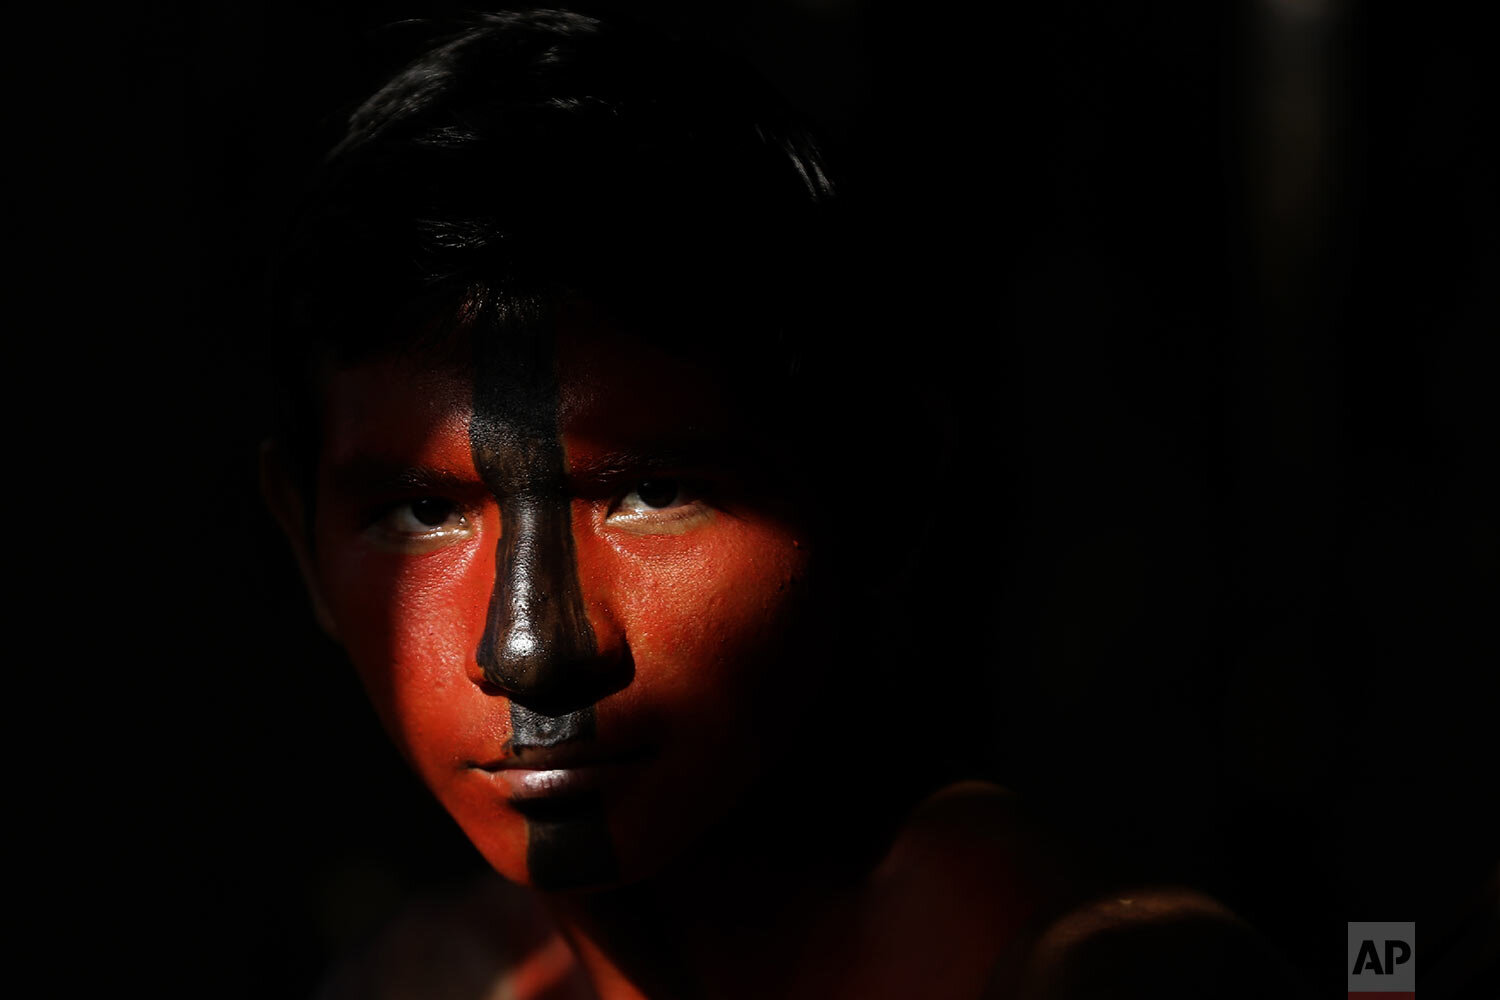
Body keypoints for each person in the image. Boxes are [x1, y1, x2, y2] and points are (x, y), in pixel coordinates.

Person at [262, 9, 1313, 997]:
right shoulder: (438, 973)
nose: (531, 648)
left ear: (878, 489)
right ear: (304, 547)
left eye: (654, 492)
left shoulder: (1079, 967)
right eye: (419, 513)